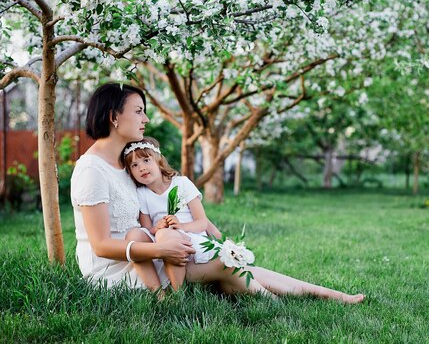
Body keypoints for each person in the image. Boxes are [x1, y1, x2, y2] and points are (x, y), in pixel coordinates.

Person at [71, 82, 365, 303]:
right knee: (226, 267)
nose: (145, 119)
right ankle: (281, 306)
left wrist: (180, 238)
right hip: (117, 272)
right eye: (138, 111)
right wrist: (161, 249)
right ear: (113, 117)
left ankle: (329, 294)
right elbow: (100, 245)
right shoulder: (92, 170)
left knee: (229, 268)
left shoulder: (125, 165)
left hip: (148, 255)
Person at [122, 136, 221, 292]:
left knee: (166, 235)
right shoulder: (142, 193)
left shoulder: (181, 183)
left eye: (146, 160)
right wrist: (157, 227)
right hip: (162, 241)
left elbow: (202, 222)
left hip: (190, 238)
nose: (141, 168)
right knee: (147, 234)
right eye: (134, 165)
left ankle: (177, 293)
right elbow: (147, 228)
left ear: (159, 161)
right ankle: (159, 291)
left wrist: (181, 226)